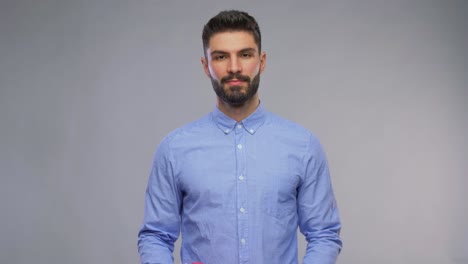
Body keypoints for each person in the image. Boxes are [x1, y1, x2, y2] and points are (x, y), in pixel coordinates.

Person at [138, 10, 342, 264]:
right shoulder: (174, 149)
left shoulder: (303, 146)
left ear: (262, 61)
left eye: (245, 55)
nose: (234, 68)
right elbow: (156, 236)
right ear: (206, 65)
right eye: (221, 56)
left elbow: (324, 234)